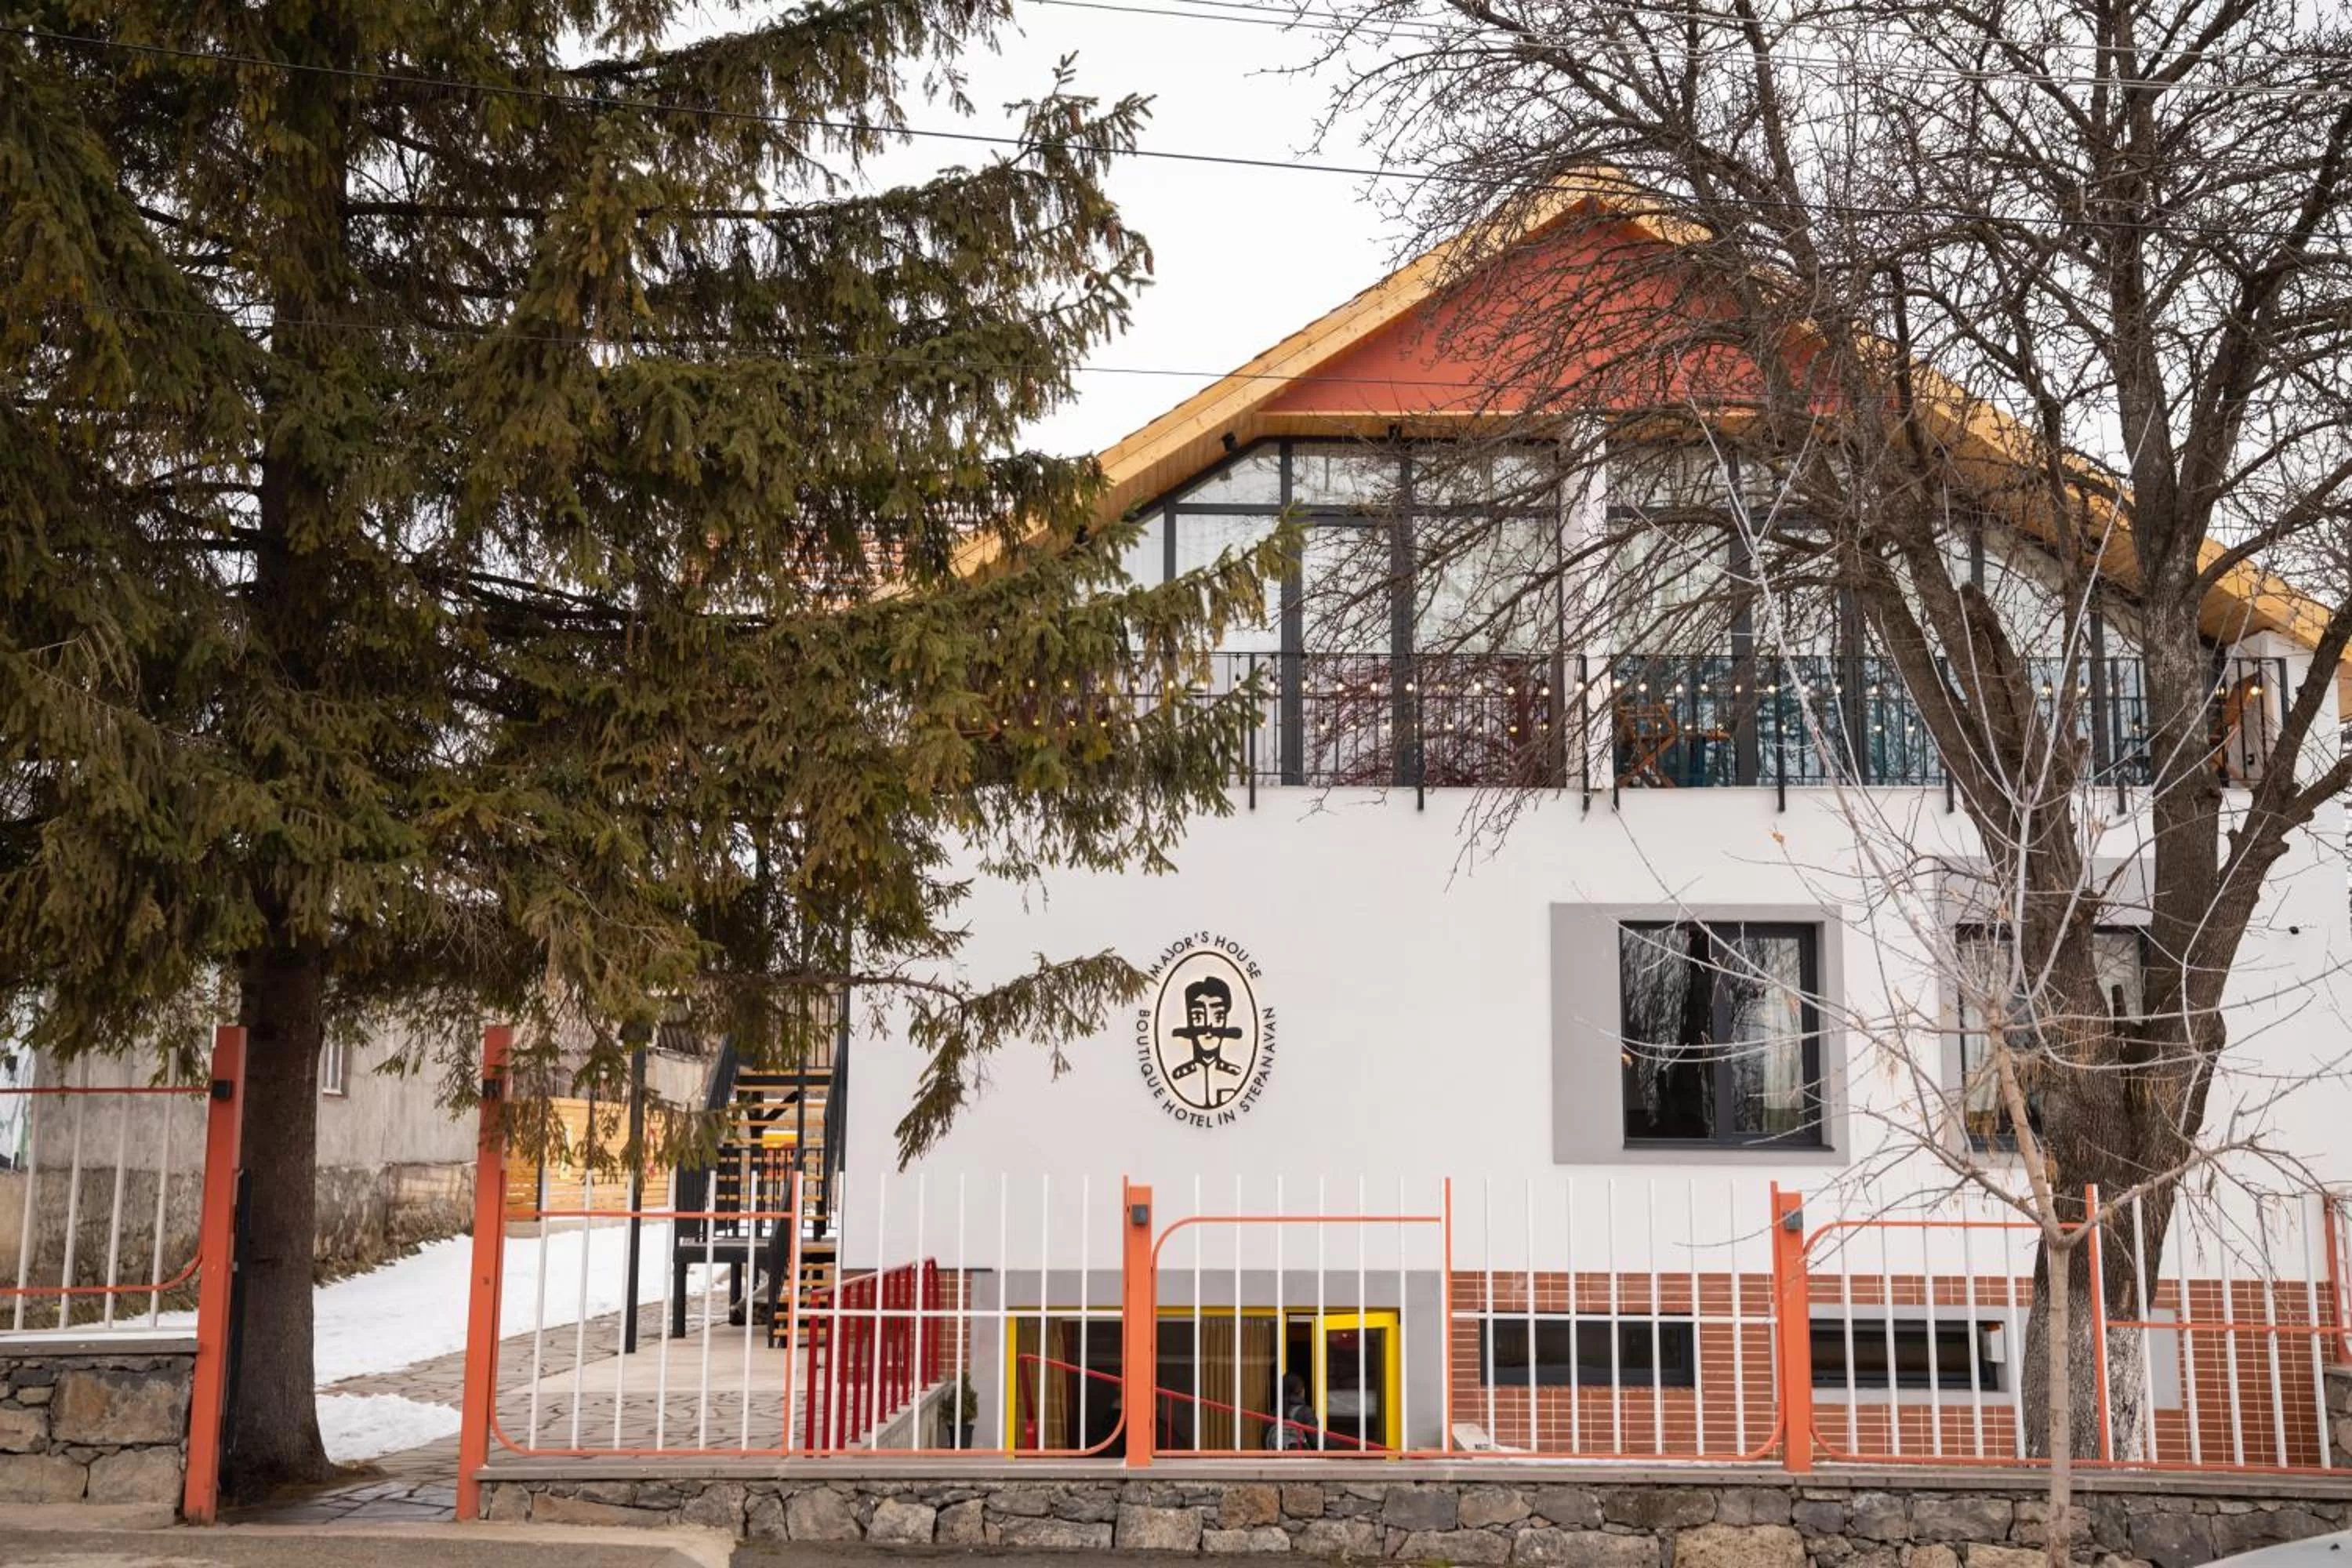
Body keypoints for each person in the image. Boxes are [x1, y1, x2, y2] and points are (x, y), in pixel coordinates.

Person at [1265, 1372, 1317, 1450]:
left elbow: (1265, 1440)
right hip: (1299, 1460)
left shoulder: (1273, 1413)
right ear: (1301, 1390)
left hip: (1277, 1460)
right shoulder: (1305, 1412)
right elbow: (1317, 1441)